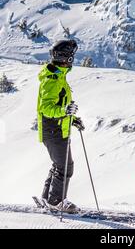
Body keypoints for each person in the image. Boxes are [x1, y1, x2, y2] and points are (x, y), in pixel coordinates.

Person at [37, 39, 85, 213]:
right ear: (66, 57)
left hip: (57, 127)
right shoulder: (52, 80)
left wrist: (72, 119)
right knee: (65, 166)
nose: (73, 58)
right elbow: (46, 108)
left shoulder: (59, 76)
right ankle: (56, 201)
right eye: (72, 55)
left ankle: (47, 198)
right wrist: (65, 110)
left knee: (59, 165)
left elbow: (58, 105)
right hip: (53, 129)